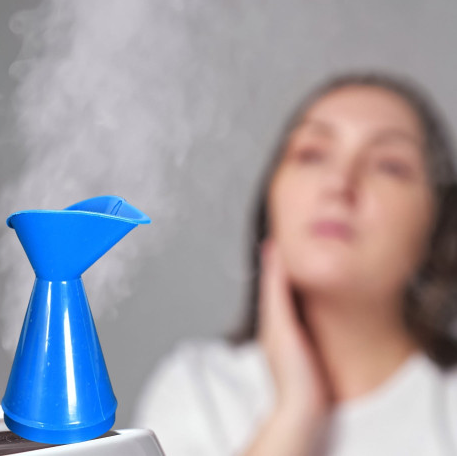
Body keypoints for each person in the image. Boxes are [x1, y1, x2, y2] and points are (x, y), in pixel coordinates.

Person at [131, 71, 457, 456]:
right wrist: (293, 414)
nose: (339, 183)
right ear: (271, 203)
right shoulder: (200, 391)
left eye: (389, 165)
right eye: (311, 155)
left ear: (439, 225)